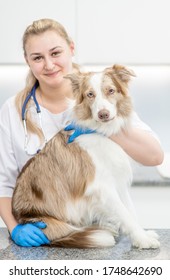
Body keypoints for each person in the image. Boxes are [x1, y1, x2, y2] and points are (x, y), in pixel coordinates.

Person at [0, 18, 164, 247]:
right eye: (37, 57)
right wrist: (14, 227)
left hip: (115, 231)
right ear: (27, 61)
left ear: (71, 49)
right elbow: (4, 182)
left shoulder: (104, 94)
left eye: (55, 53)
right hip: (50, 230)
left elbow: (155, 156)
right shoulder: (12, 109)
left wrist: (104, 128)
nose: (49, 64)